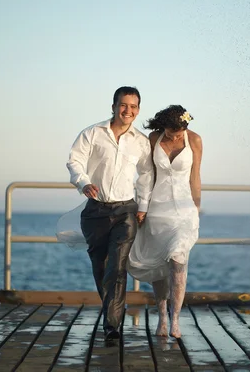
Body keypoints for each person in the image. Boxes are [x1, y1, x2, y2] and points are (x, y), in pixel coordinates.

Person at [65, 86, 154, 342]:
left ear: (138, 110)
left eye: (134, 106)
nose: (128, 111)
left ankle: (112, 327)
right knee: (101, 267)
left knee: (117, 268)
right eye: (124, 105)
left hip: (126, 210)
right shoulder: (93, 133)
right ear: (114, 106)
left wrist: (144, 205)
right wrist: (83, 182)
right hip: (95, 211)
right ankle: (111, 314)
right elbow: (75, 160)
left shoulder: (140, 141)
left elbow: (147, 174)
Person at [127, 104, 203, 338]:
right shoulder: (153, 138)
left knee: (178, 261)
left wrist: (197, 209)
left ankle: (176, 321)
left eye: (179, 133)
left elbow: (195, 176)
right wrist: (143, 207)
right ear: (164, 127)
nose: (175, 137)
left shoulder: (195, 140)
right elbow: (148, 175)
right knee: (160, 268)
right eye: (171, 133)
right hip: (157, 211)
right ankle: (161, 317)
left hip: (183, 212)